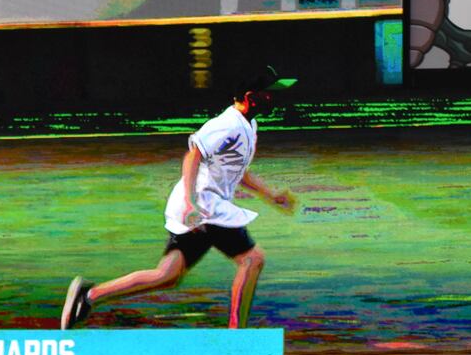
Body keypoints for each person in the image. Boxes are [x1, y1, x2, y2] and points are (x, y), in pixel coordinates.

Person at [61, 68, 298, 331]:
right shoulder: (227, 124)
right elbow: (192, 156)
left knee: (167, 276)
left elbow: (236, 171)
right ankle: (236, 335)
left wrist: (271, 195)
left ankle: (90, 295)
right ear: (251, 96)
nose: (275, 99)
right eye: (270, 94)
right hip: (204, 208)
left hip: (206, 209)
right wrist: (189, 201)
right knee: (252, 260)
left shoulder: (249, 125)